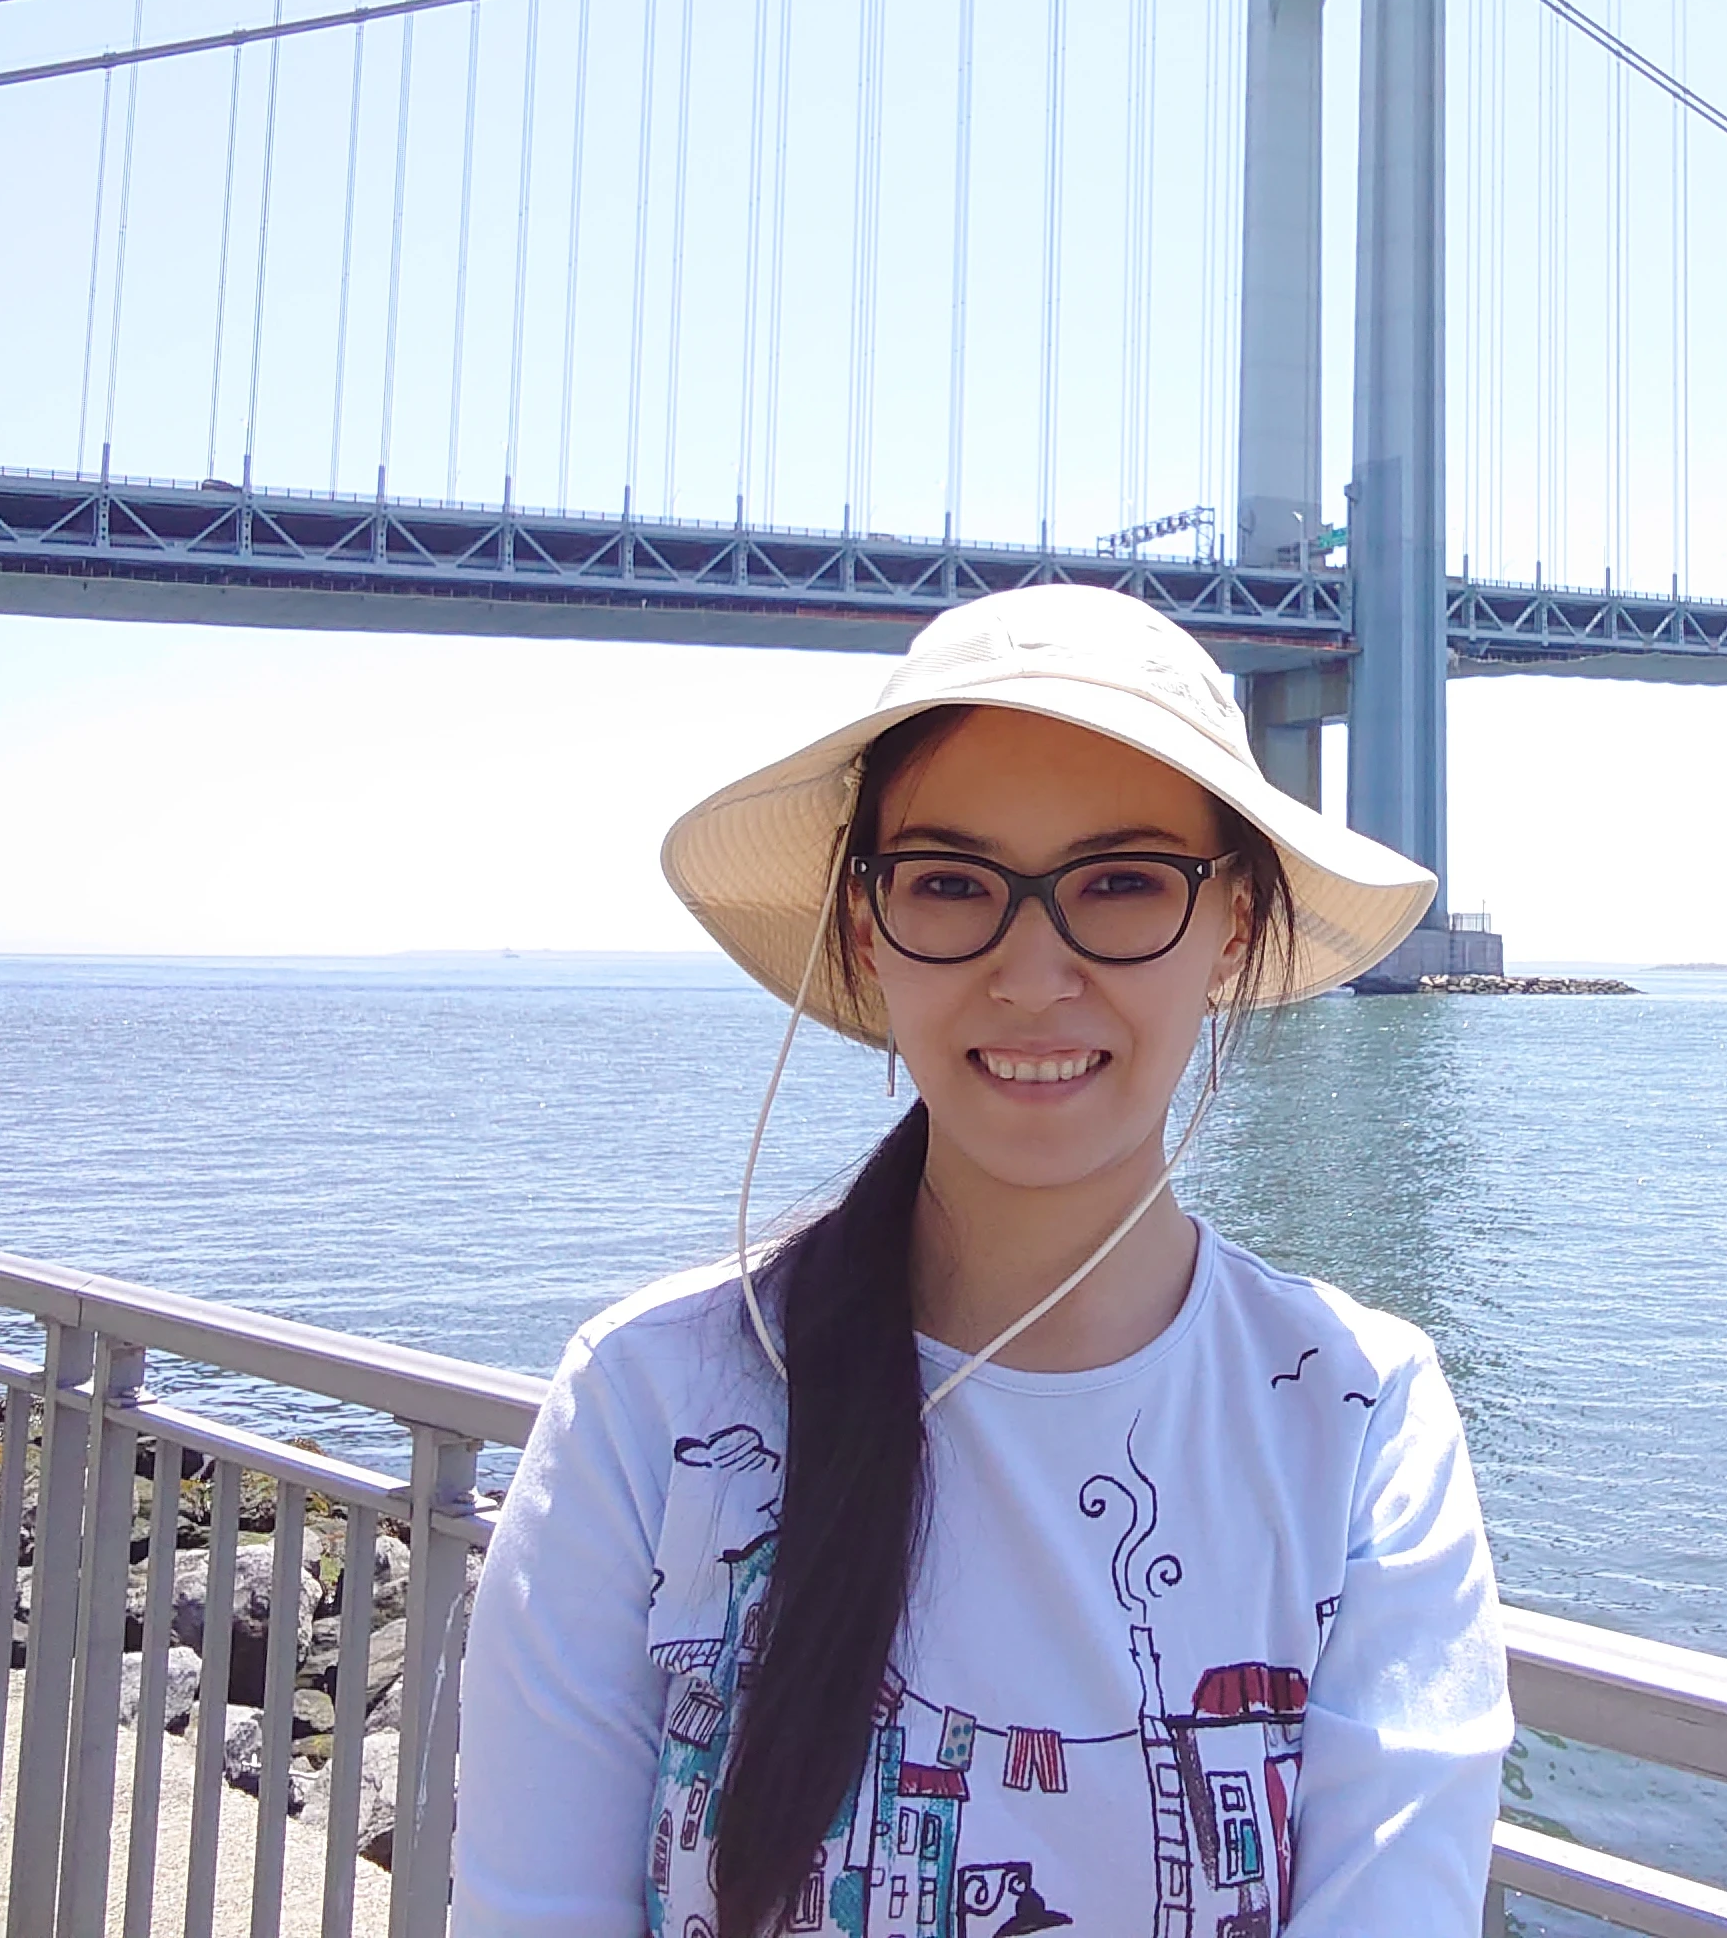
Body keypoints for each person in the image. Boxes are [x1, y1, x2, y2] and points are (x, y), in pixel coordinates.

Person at [455, 583, 1513, 1938]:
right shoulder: (649, 1403)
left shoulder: (1360, 1418)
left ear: (1235, 923)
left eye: (1122, 883)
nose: (1031, 971)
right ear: (861, 925)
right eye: (951, 884)